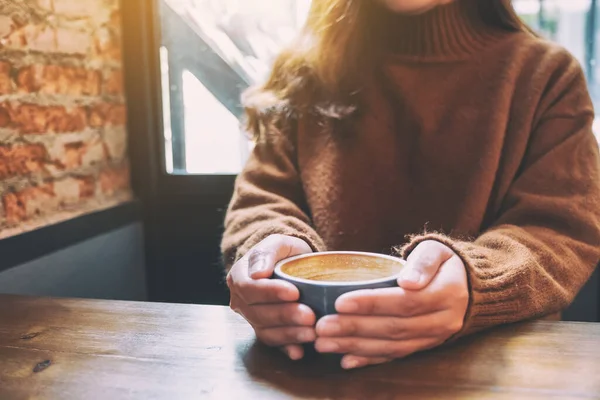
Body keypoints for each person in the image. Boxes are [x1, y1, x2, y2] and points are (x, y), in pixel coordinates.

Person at [221, 0, 600, 370]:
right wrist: (267, 253)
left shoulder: (546, 75)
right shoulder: (304, 70)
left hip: (496, 376)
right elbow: (261, 201)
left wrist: (479, 283)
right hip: (313, 371)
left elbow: (560, 228)